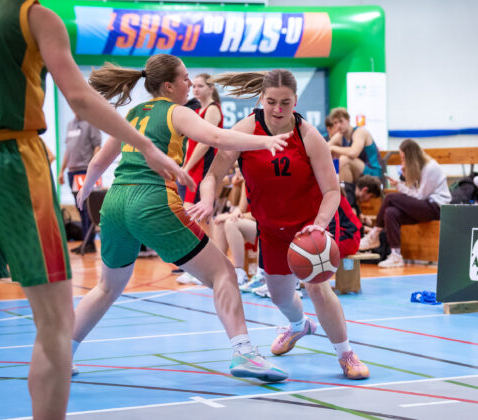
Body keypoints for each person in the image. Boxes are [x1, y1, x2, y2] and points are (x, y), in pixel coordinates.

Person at [0, 3, 192, 419]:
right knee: (55, 324)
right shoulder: (33, 15)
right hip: (13, 164)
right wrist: (147, 146)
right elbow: (80, 97)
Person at [72, 54, 291, 382]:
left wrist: (85, 190)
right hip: (152, 200)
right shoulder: (177, 111)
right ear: (169, 86)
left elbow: (98, 163)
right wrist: (265, 140)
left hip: (114, 203)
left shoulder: (133, 113)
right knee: (223, 273)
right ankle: (245, 352)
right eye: (185, 78)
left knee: (106, 287)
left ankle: (62, 353)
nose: (190, 83)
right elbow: (217, 138)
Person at [192, 69, 370, 380]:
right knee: (280, 296)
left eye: (285, 102)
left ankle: (346, 354)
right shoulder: (245, 130)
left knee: (317, 288)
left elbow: (332, 191)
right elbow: (212, 175)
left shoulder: (308, 136)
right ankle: (299, 326)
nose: (277, 109)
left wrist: (319, 225)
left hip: (308, 227)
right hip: (271, 231)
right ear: (261, 98)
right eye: (271, 101)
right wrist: (207, 200)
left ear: (295, 101)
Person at [359, 139, 450, 268]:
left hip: (437, 207)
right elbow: (415, 194)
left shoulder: (430, 168)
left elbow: (420, 196)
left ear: (410, 156)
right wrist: (405, 179)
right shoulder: (418, 168)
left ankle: (374, 234)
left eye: (403, 158)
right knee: (391, 212)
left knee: (390, 198)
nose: (402, 162)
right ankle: (396, 255)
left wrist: (400, 187)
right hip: (425, 205)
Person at [57, 114, 102, 253]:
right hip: (72, 172)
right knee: (80, 207)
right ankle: (85, 242)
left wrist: (92, 169)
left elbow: (97, 147)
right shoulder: (70, 124)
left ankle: (89, 243)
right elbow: (68, 151)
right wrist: (61, 171)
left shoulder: (91, 122)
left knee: (88, 208)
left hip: (85, 171)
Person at [178, 73, 222, 209]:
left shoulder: (212, 109)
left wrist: (187, 167)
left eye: (200, 86)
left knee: (193, 211)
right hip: (193, 165)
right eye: (194, 86)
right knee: (193, 212)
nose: (196, 89)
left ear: (211, 88)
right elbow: (189, 142)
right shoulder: (196, 110)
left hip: (203, 166)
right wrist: (185, 165)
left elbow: (205, 143)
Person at [327, 107, 383, 183]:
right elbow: (325, 149)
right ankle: (344, 188)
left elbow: (353, 153)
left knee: (344, 159)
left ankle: (345, 189)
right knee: (337, 161)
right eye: (335, 123)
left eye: (341, 121)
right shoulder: (339, 135)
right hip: (360, 173)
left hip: (374, 173)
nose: (338, 125)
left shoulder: (360, 132)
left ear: (348, 120)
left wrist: (333, 148)